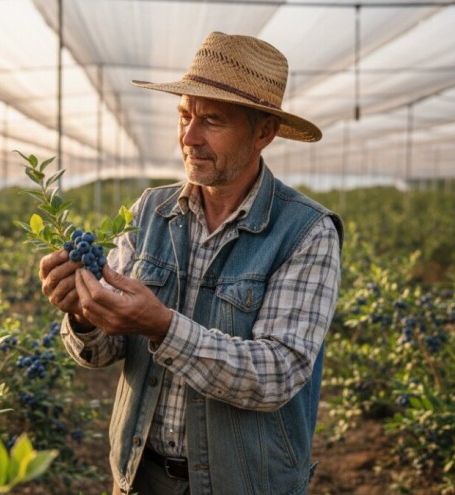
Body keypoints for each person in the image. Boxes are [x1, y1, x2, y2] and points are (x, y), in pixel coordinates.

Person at [38, 32, 343, 495]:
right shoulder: (150, 212)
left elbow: (276, 373)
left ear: (264, 132)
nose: (189, 136)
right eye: (184, 115)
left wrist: (162, 326)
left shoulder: (306, 232)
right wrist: (83, 316)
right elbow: (103, 352)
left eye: (212, 121)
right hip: (140, 476)